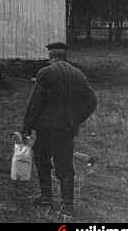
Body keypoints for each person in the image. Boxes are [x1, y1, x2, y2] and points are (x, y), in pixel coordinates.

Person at [21, 42, 98, 221]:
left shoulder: (45, 73)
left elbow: (35, 104)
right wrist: (77, 119)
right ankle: (67, 206)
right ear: (64, 56)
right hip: (66, 130)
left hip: (46, 129)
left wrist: (27, 127)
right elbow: (92, 100)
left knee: (43, 162)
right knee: (65, 167)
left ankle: (46, 197)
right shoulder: (79, 74)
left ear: (50, 56)